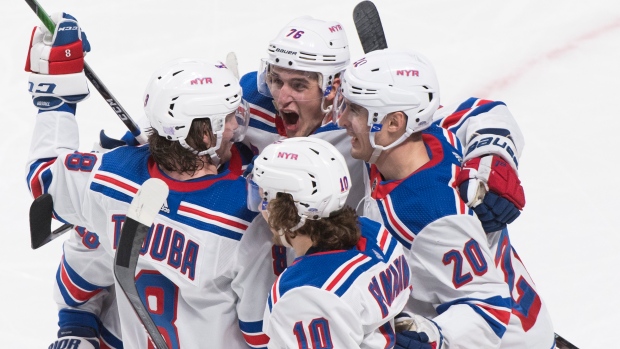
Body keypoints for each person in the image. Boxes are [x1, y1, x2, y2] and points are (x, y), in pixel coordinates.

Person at [25, 14, 276, 349]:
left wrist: (55, 97)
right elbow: (261, 334)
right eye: (227, 117)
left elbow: (44, 178)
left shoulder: (108, 177)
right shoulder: (245, 214)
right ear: (203, 134)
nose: (236, 126)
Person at [335, 48, 555, 348]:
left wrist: (434, 335)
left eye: (355, 110)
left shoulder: (432, 215)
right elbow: (482, 110)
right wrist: (494, 154)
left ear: (395, 123)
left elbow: (488, 308)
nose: (342, 119)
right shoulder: (433, 135)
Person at [249, 137, 410, 348]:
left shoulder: (303, 293)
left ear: (288, 208)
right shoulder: (376, 234)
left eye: (265, 198)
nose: (262, 209)